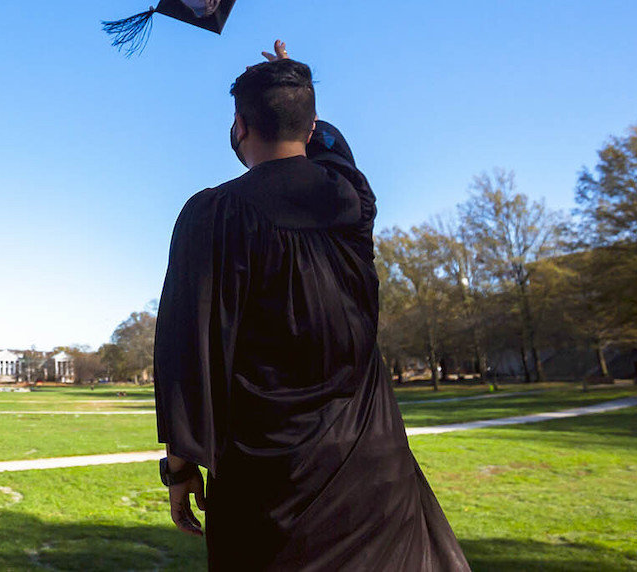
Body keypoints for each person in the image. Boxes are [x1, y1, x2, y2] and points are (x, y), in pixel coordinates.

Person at [154, 41, 469, 571]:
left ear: (239, 127)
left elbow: (183, 350)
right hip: (374, 474)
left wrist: (180, 467)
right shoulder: (350, 201)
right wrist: (289, 83)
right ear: (311, 125)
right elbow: (329, 145)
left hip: (266, 487)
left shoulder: (212, 214)